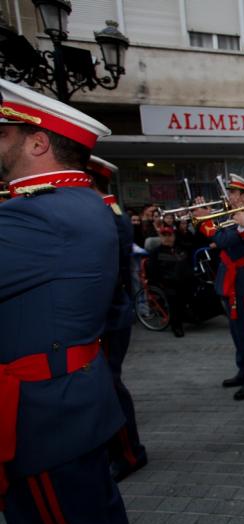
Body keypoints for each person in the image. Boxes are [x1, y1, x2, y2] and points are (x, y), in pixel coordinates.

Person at [0, 79, 129, 524]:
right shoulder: (74, 203)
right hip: (63, 402)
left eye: (4, 135)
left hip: (44, 415)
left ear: (38, 142)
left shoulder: (46, 212)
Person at [86, 155, 149, 482]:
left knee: (110, 384)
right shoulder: (101, 211)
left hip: (109, 313)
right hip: (104, 312)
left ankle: (128, 452)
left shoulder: (109, 215)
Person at [197, 175, 244, 400]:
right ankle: (243, 370)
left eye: (234, 193)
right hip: (229, 277)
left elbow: (224, 241)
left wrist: (207, 222)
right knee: (236, 331)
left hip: (242, 280)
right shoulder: (231, 216)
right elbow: (217, 238)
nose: (229, 196)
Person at [147, 226, 193, 337]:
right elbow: (153, 272)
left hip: (184, 280)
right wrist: (162, 282)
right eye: (164, 236)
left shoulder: (181, 248)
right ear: (160, 237)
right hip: (167, 283)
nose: (167, 238)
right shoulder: (155, 252)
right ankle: (176, 326)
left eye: (169, 235)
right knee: (174, 297)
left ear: (174, 236)